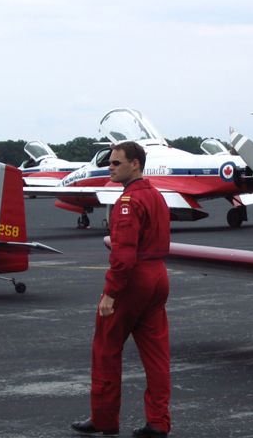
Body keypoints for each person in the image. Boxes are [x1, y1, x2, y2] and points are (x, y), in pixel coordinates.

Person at [71, 141, 171, 438]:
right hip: (158, 275)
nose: (110, 168)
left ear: (135, 164)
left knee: (106, 349)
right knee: (156, 355)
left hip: (134, 280)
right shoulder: (156, 196)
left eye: (116, 163)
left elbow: (124, 255)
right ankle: (158, 422)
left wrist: (110, 293)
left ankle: (104, 419)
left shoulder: (128, 202)